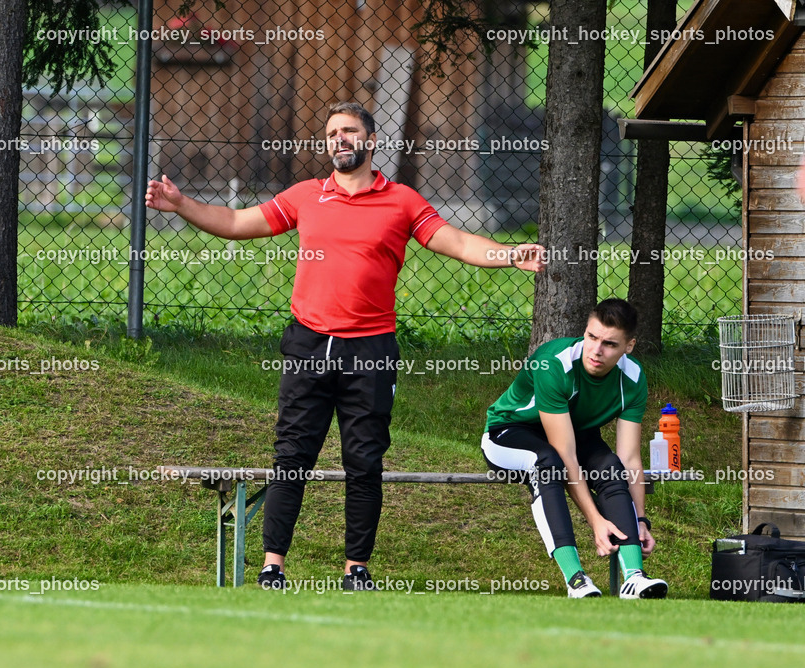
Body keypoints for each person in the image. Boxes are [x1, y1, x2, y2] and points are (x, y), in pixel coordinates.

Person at [146, 102, 545, 590]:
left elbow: (457, 243)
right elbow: (235, 223)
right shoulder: (305, 196)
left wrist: (509, 255)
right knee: (292, 457)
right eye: (332, 132)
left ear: (371, 141)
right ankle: (274, 565)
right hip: (309, 344)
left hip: (370, 351)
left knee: (364, 461)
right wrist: (182, 204)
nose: (338, 139)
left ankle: (356, 569)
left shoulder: (401, 201)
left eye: (349, 131)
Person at [481, 299, 668, 599]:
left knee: (610, 466)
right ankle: (576, 580)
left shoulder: (633, 378)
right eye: (591, 337)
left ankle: (634, 576)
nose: (596, 350)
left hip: (575, 433)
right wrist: (596, 522)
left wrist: (641, 520)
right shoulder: (554, 363)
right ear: (585, 332)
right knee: (548, 464)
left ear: (628, 346)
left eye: (609, 343)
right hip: (510, 432)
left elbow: (630, 458)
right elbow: (565, 457)